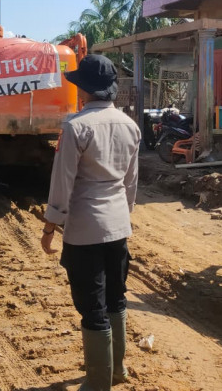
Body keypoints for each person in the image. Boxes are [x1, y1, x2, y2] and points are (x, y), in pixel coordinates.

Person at [41, 54, 141, 391]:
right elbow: (131, 182)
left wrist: (51, 225)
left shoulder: (75, 127)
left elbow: (63, 181)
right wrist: (123, 214)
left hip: (85, 229)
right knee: (116, 297)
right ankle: (117, 370)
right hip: (118, 225)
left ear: (83, 90)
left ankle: (98, 383)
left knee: (91, 305)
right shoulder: (130, 126)